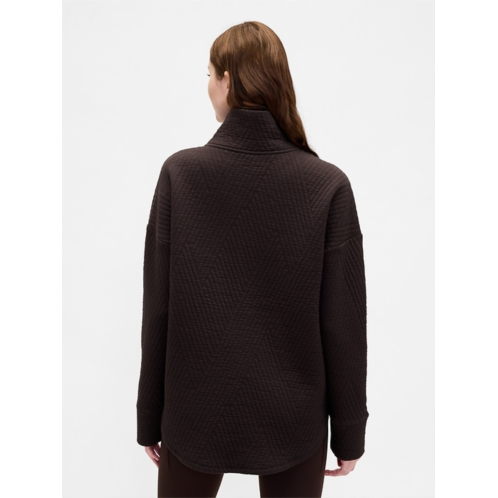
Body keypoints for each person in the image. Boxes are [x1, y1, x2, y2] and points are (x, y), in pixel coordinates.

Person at [136, 21, 368, 498]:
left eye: (208, 74)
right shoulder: (327, 184)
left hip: (192, 415)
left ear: (227, 80)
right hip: (295, 421)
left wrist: (149, 416)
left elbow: (157, 307)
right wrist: (349, 433)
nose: (207, 86)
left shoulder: (180, 174)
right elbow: (344, 322)